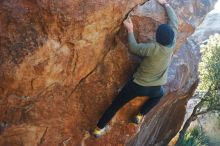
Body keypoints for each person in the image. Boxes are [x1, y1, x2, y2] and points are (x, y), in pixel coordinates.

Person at [92, 0, 179, 138]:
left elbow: (134, 48)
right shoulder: (172, 43)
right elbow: (174, 22)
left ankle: (98, 129)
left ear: (157, 38)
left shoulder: (152, 48)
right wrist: (166, 4)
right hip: (155, 88)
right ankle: (140, 115)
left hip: (137, 85)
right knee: (160, 95)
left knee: (115, 105)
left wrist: (130, 30)